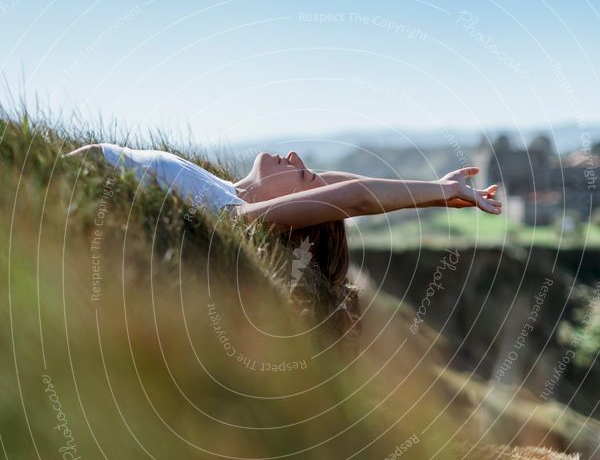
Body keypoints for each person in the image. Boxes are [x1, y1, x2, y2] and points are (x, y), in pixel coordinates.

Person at [65, 143, 501, 296]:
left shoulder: (234, 215)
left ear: (293, 207)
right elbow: (340, 183)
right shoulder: (226, 189)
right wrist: (433, 188)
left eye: (303, 173)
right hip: (55, 174)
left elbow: (352, 198)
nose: (293, 156)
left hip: (58, 184)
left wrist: (442, 193)